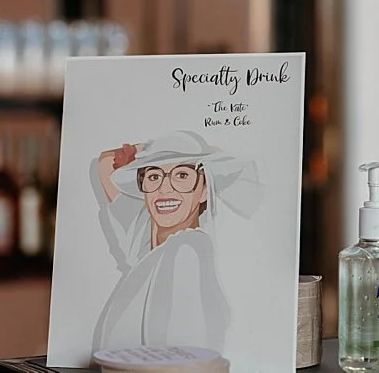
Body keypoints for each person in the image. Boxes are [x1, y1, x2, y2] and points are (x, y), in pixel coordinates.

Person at [89, 130, 262, 353]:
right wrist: (146, 153)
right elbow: (105, 164)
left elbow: (183, 350)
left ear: (205, 190)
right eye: (153, 176)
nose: (165, 188)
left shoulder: (187, 247)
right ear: (143, 189)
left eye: (182, 175)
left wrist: (197, 152)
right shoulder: (141, 243)